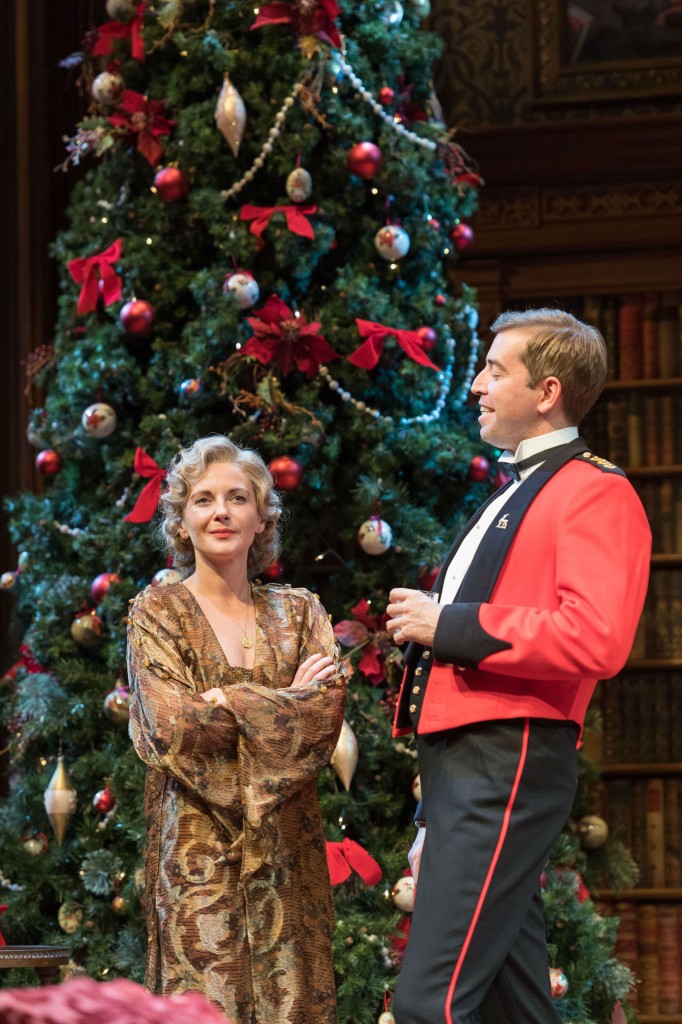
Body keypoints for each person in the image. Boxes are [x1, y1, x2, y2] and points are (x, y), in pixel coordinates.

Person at [385, 308, 651, 1024]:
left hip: (507, 757)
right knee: (516, 1005)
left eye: (495, 370)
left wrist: (448, 624)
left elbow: (597, 638)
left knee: (428, 1006)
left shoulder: (595, 490)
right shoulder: (516, 490)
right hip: (472, 760)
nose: (475, 384)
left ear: (547, 392)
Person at [126, 435, 346, 1024]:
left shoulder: (300, 611)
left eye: (237, 498)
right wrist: (282, 702)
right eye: (203, 499)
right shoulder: (157, 612)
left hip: (287, 851)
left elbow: (323, 714)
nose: (220, 511)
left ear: (261, 518)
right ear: (181, 522)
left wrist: (227, 699)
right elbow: (173, 726)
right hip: (197, 854)